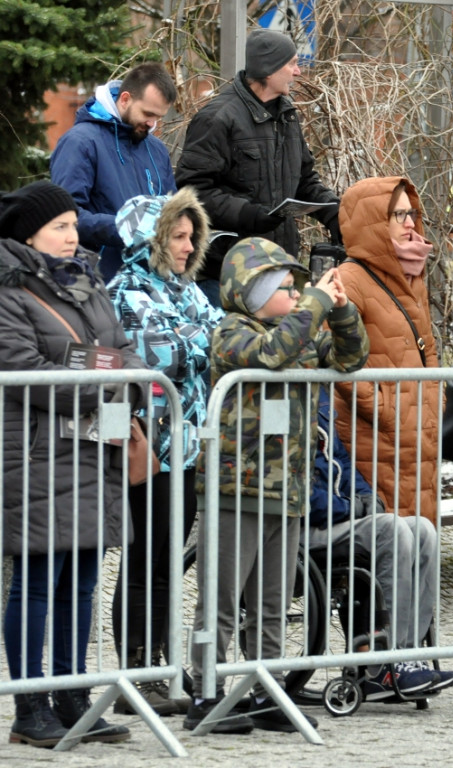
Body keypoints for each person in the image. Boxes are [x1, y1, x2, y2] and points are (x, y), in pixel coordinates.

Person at [185, 237, 369, 734]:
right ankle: (206, 693)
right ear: (250, 291)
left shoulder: (300, 333)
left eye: (296, 287)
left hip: (286, 490)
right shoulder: (232, 332)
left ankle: (264, 690)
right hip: (234, 490)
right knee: (221, 601)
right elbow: (270, 355)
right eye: (283, 287)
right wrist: (313, 305)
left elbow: (351, 358)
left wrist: (344, 312)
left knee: (270, 604)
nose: (295, 294)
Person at [0, 181, 142, 746]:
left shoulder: (87, 278)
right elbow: (23, 364)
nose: (72, 235)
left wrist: (114, 375)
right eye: (59, 226)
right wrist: (100, 380)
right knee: (37, 583)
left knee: (81, 584)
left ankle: (73, 696)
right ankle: (29, 706)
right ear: (27, 233)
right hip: (38, 454)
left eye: (73, 225)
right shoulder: (10, 286)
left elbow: (123, 349)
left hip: (92, 453)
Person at [106, 187, 223, 715]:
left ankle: (157, 659)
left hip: (188, 449)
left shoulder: (186, 291)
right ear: (149, 240)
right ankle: (136, 667)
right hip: (147, 451)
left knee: (167, 563)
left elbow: (212, 339)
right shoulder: (125, 290)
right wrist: (200, 336)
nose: (187, 243)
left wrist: (196, 336)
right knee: (144, 559)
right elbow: (165, 352)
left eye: (191, 235)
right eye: (177, 235)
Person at [308, 388, 453, 700]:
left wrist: (367, 498)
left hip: (338, 517)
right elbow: (300, 493)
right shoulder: (280, 399)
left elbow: (342, 464)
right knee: (391, 528)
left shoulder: (318, 395)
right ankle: (383, 662)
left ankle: (407, 653)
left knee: (422, 529)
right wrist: (353, 508)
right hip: (305, 528)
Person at [176, 29, 341, 305]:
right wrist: (249, 214)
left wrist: (334, 213)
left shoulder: (287, 116)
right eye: (292, 64)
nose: (298, 72)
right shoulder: (216, 118)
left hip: (279, 272)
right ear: (268, 69)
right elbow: (192, 191)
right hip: (227, 278)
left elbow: (304, 181)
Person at [334, 177, 441, 525]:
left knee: (421, 539)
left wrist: (433, 402)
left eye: (411, 213)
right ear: (373, 222)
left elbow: (429, 347)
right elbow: (337, 359)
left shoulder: (412, 274)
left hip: (418, 435)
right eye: (399, 215)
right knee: (389, 544)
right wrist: (387, 410)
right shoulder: (349, 279)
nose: (411, 223)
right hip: (376, 440)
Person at [49, 62, 178, 281]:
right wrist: (126, 229)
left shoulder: (156, 150)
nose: (151, 123)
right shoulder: (80, 142)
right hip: (100, 280)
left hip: (152, 282)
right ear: (125, 99)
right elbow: (65, 216)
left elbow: (172, 209)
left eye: (158, 117)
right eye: (147, 113)